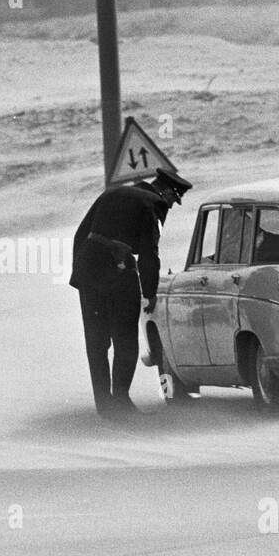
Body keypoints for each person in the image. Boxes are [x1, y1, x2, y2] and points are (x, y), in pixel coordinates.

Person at [70, 168, 192, 415]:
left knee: (96, 342)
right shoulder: (153, 204)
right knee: (125, 342)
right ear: (166, 192)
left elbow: (80, 234)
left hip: (88, 272)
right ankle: (122, 400)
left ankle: (104, 406)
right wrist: (150, 292)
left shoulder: (113, 192)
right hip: (118, 273)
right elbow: (149, 252)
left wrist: (81, 273)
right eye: (173, 200)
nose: (170, 205)